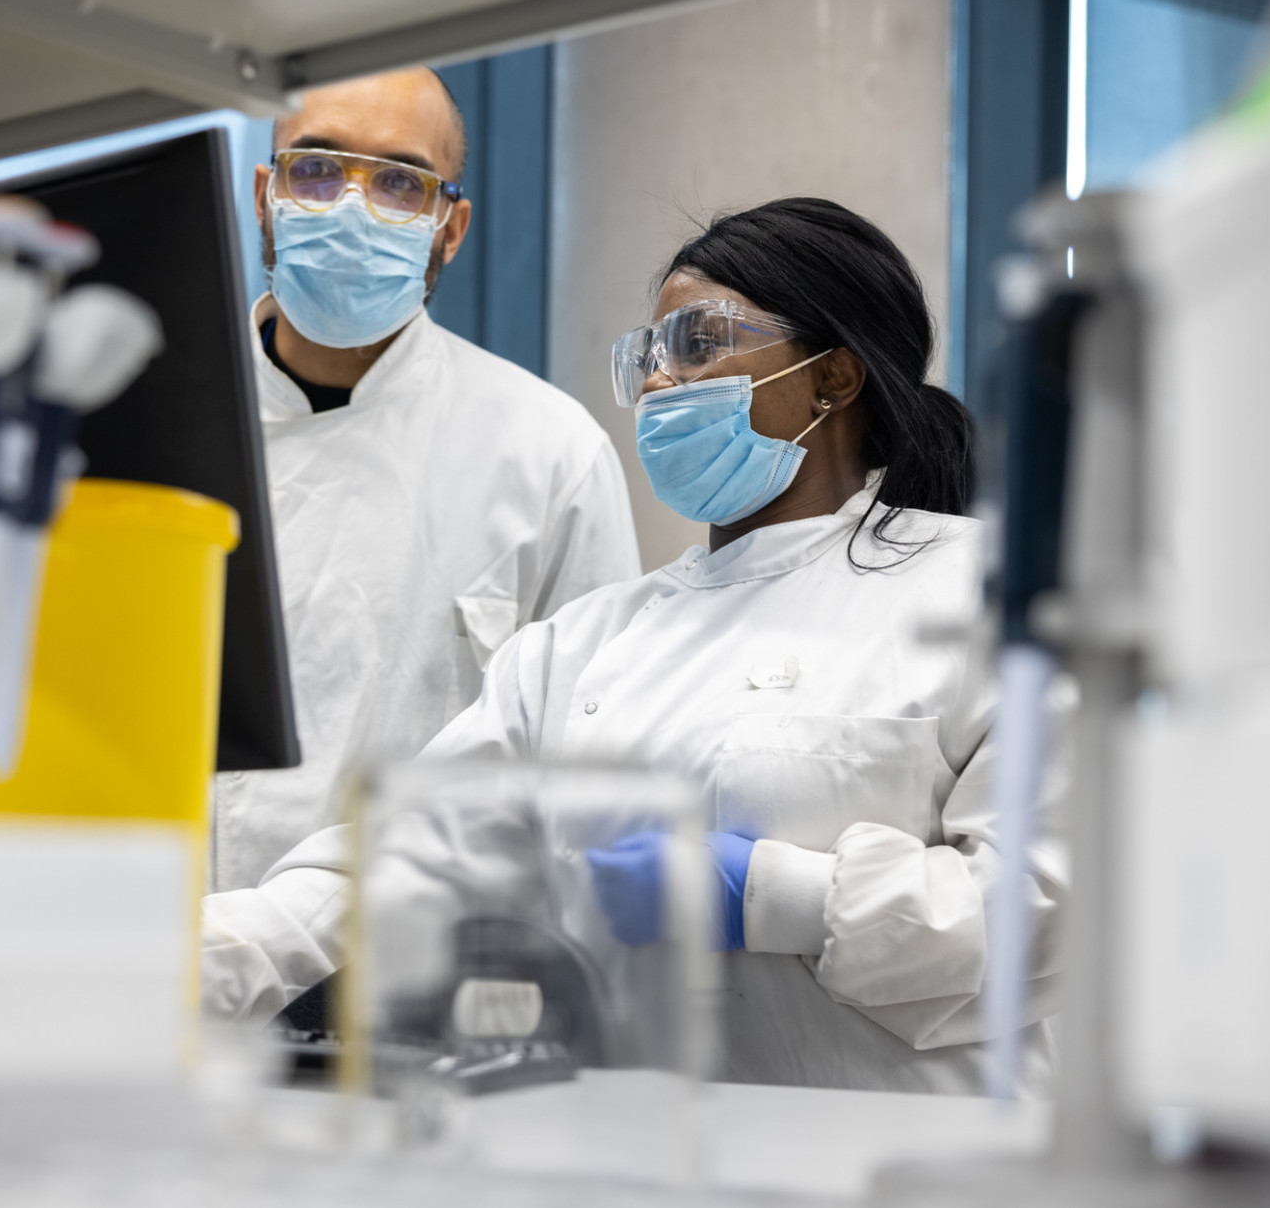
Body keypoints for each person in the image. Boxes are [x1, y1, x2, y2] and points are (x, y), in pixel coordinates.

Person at [207, 196, 1065, 1095]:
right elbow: (399, 860)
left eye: (697, 344)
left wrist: (778, 897)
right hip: (650, 1158)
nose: (659, 382)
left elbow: (1051, 907)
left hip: (912, 1166)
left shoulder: (983, 594)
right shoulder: (579, 648)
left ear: (834, 377)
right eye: (648, 355)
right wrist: (208, 956)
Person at [210, 68, 640, 909]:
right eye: (318, 168)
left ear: (451, 228)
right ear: (266, 192)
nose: (351, 208)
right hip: (146, 954)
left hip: (406, 977)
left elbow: (588, 768)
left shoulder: (550, 455)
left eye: (402, 183)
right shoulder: (157, 414)